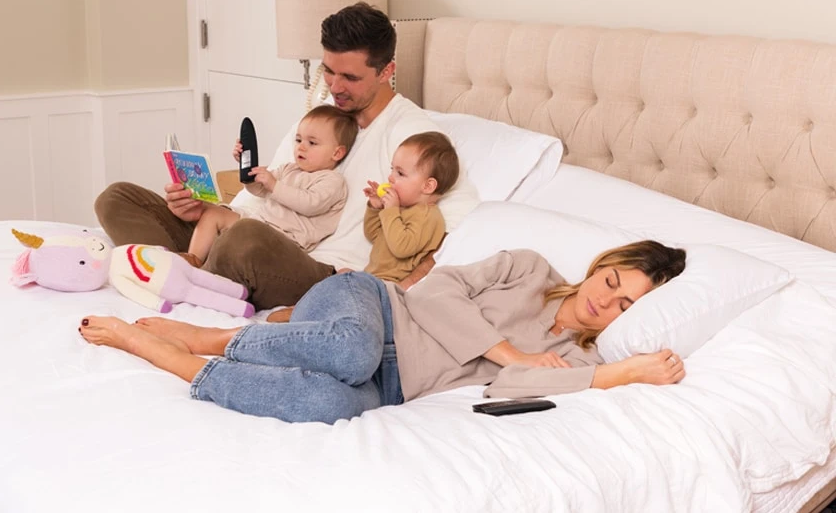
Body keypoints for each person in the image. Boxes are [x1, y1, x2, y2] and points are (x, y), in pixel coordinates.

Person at [93, 2, 479, 310]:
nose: (334, 86)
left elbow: (453, 232)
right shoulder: (320, 118)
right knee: (117, 199)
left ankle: (172, 271)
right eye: (329, 71)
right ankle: (186, 268)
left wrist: (390, 296)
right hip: (253, 231)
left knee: (242, 241)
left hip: (319, 270)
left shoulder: (414, 136)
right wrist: (200, 213)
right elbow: (266, 193)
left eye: (350, 77)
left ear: (386, 71)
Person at [77, 240, 688, 424]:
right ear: (600, 264)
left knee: (329, 404)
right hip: (371, 305)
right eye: (611, 281)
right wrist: (507, 350)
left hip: (393, 386)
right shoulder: (528, 268)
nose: (603, 301)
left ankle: (169, 357)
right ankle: (212, 339)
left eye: (624, 305)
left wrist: (621, 372)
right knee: (350, 348)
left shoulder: (574, 358)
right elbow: (435, 291)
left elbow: (507, 389)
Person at [184, 105, 358, 267]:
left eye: (312, 143)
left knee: (239, 237)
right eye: (298, 140)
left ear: (337, 153)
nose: (301, 147)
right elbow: (260, 189)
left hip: (285, 241)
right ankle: (192, 261)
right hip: (258, 224)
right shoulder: (289, 169)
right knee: (213, 213)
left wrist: (274, 185)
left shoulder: (332, 181)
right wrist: (248, 171)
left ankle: (203, 271)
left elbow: (310, 204)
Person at [358, 131, 458, 282]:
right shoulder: (401, 209)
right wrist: (376, 207)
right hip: (370, 277)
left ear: (427, 186)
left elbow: (402, 248)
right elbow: (373, 235)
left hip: (389, 284)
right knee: (342, 274)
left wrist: (391, 211)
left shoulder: (427, 216)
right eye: (392, 169)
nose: (390, 177)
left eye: (400, 173)